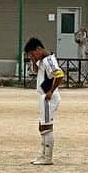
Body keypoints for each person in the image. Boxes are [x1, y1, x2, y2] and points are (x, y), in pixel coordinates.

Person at [24, 36, 64, 166]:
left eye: (32, 53)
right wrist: (34, 59)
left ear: (38, 49)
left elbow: (59, 74)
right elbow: (36, 70)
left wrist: (51, 91)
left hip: (48, 97)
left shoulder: (49, 60)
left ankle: (48, 157)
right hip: (44, 97)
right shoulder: (42, 60)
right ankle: (44, 154)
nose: (32, 56)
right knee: (42, 126)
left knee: (46, 126)